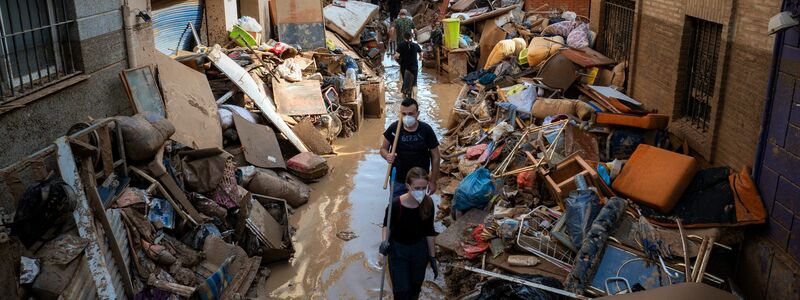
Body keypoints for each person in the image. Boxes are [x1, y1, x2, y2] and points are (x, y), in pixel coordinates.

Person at [379, 167, 439, 300]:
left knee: (415, 288)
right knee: (401, 292)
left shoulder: (428, 203)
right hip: (398, 251)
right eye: (417, 188)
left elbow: (429, 231)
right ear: (408, 186)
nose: (421, 192)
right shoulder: (395, 205)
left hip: (419, 251)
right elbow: (386, 226)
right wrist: (384, 242)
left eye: (424, 188)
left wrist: (432, 257)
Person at [381, 97, 440, 199]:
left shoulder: (426, 130)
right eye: (404, 114)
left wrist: (433, 181)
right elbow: (383, 149)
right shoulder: (394, 128)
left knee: (417, 208)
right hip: (398, 179)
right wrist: (387, 156)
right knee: (397, 208)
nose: (407, 117)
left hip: (419, 182)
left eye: (411, 114)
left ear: (417, 114)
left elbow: (436, 157)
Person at [393, 32, 422, 98]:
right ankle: (414, 98)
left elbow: (396, 56)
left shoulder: (401, 45)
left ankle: (405, 96)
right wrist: (420, 58)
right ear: (411, 37)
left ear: (404, 37)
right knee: (414, 83)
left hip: (404, 67)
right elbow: (421, 53)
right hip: (414, 67)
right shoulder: (415, 45)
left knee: (405, 81)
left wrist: (397, 59)